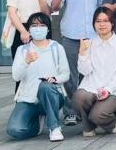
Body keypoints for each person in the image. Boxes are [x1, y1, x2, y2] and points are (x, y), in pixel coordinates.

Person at [49, 0, 105, 126]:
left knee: (90, 74)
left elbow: (101, 9)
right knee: (70, 76)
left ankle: (88, 110)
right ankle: (70, 112)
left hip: (92, 37)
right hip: (71, 35)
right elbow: (53, 7)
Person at [7, 13, 70, 141]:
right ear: (29, 29)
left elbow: (66, 74)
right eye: (34, 25)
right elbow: (16, 77)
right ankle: (37, 125)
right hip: (28, 99)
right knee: (15, 130)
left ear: (48, 29)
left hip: (52, 96)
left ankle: (54, 127)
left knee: (45, 87)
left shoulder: (57, 48)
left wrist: (55, 79)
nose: (38, 28)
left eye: (42, 25)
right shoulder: (22, 50)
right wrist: (26, 61)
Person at [73, 7, 116, 137]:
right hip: (91, 88)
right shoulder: (89, 43)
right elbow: (84, 71)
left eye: (105, 21)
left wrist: (108, 90)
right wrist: (82, 53)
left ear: (112, 23)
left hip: (114, 91)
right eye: (98, 21)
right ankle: (88, 127)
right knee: (78, 98)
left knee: (97, 115)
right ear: (94, 24)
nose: (101, 24)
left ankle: (114, 122)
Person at [6, 0, 51, 90]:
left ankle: (42, 97)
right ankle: (21, 98)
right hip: (22, 29)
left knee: (43, 66)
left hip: (42, 29)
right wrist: (23, 32)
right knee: (22, 66)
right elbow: (12, 13)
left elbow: (47, 14)